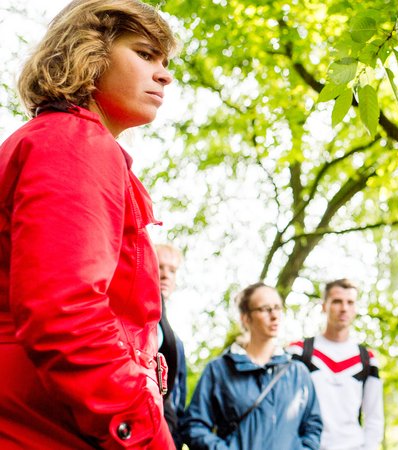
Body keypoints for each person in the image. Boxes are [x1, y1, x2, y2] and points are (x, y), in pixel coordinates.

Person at [0, 1, 177, 448]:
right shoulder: (73, 142)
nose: (164, 75)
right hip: (46, 424)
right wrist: (146, 434)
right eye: (144, 53)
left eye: (165, 62)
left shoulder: (59, 141)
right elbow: (65, 312)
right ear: (90, 52)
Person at [183, 282, 322, 449]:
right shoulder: (219, 369)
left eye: (277, 307)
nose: (274, 315)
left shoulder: (298, 372)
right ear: (245, 317)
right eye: (265, 309)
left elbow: (313, 427)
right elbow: (193, 426)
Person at [287, 279, 384, 450]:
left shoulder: (367, 358)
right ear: (324, 306)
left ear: (355, 308)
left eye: (350, 302)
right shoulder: (299, 351)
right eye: (337, 301)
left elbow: (374, 417)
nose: (344, 308)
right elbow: (283, 408)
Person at [155, 243, 188, 448]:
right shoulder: (125, 321)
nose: (166, 275)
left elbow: (179, 401)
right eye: (160, 266)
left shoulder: (176, 343)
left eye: (172, 270)